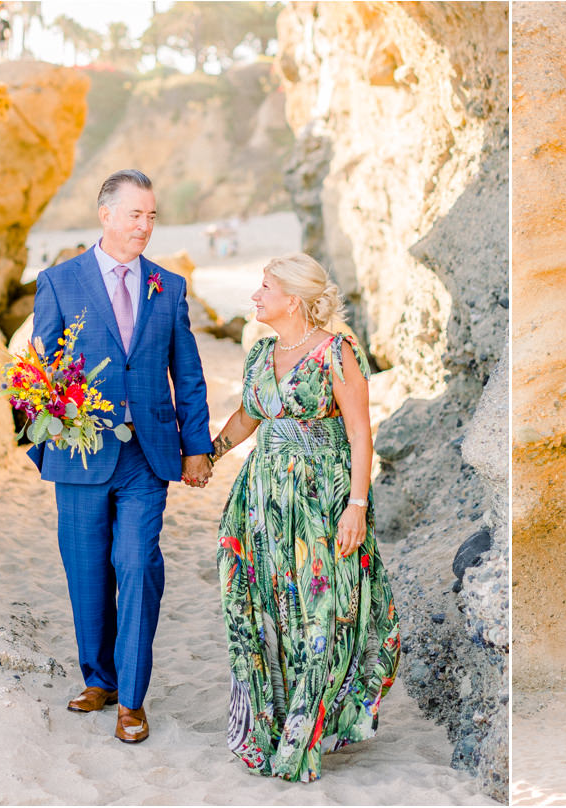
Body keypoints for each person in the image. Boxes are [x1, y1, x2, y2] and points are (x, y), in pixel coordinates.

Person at [30, 169, 215, 744]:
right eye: (136, 214)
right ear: (105, 214)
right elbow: (39, 378)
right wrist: (48, 443)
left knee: (137, 566)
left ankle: (131, 700)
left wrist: (197, 446)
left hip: (149, 456)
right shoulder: (59, 282)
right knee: (87, 572)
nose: (145, 225)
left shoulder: (170, 286)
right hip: (81, 455)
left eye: (152, 215)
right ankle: (98, 678)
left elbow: (186, 373)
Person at [208, 254, 400, 781]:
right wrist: (212, 454)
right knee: (269, 609)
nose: (255, 296)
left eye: (264, 287)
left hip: (322, 499)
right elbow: (250, 413)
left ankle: (303, 737)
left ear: (292, 298)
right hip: (263, 502)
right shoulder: (261, 352)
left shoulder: (337, 353)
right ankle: (272, 725)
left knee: (322, 612)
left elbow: (362, 433)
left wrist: (355, 506)